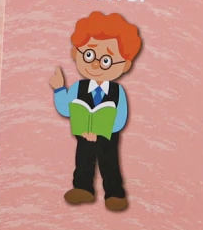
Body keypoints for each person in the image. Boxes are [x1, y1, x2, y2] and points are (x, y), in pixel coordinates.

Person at [48, 11, 142, 212]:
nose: (96, 63)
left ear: (124, 65)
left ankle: (114, 193)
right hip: (83, 133)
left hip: (108, 135)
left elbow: (121, 117)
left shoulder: (117, 91)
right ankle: (83, 188)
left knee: (110, 163)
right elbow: (66, 108)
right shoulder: (78, 88)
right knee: (83, 159)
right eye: (89, 55)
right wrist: (59, 89)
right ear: (77, 53)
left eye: (106, 60)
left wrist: (101, 130)